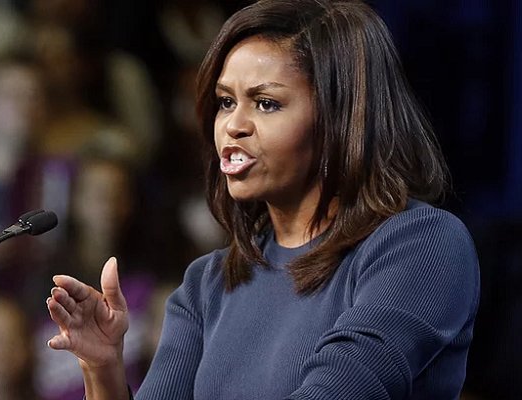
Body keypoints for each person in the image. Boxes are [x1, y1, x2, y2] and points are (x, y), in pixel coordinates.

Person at [46, 0, 480, 399]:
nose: (232, 126)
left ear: (341, 118)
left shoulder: (421, 245)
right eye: (225, 102)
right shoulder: (207, 284)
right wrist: (102, 369)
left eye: (266, 103)